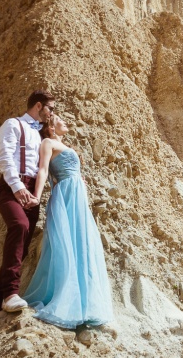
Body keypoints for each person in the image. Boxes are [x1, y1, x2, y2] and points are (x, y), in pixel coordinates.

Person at [22, 114, 114, 328]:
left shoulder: (64, 145)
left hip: (77, 195)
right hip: (66, 195)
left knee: (82, 242)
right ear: (51, 126)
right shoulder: (48, 143)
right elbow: (43, 169)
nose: (66, 122)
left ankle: (85, 304)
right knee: (67, 242)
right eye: (60, 120)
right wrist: (37, 196)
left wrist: (78, 178)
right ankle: (68, 301)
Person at [0, 90, 56, 315]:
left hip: (32, 189)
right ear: (38, 106)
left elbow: (44, 166)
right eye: (50, 108)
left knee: (23, 244)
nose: (51, 113)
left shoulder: (41, 134)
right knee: (19, 225)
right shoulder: (13, 124)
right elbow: (4, 157)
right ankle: (10, 293)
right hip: (11, 186)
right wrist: (18, 188)